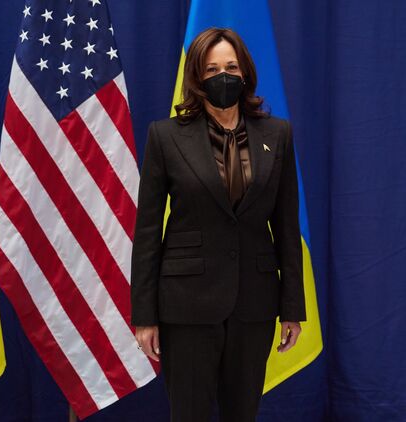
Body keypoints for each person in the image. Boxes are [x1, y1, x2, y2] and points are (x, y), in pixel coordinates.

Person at [131, 27, 306, 422]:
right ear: (196, 76)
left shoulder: (277, 135)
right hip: (186, 305)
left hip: (254, 303)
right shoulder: (165, 136)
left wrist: (292, 308)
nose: (222, 76)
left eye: (230, 67)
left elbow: (286, 226)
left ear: (245, 73)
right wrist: (144, 315)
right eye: (211, 69)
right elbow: (147, 233)